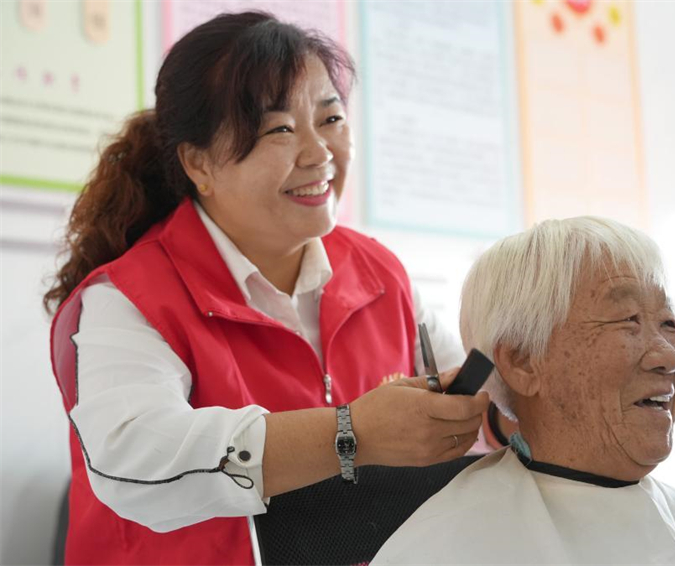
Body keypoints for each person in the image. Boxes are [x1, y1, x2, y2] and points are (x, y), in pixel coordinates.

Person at [44, 12, 489, 565]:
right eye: (280, 129)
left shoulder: (380, 273)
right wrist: (352, 434)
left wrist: (489, 411)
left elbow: (471, 407)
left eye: (331, 118)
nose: (320, 153)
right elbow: (132, 458)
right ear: (199, 162)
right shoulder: (130, 296)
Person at [373, 217, 675, 565]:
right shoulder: (443, 547)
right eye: (628, 320)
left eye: (669, 322)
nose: (668, 357)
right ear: (524, 362)